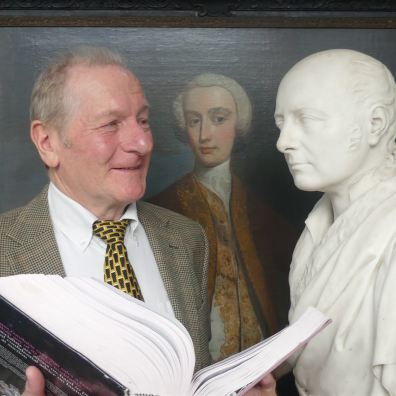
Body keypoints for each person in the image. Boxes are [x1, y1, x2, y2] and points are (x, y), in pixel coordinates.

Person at [0, 47, 276, 396]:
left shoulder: (187, 239)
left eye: (143, 121)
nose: (143, 143)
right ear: (47, 142)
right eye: (111, 124)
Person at [151, 73, 297, 363]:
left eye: (219, 119)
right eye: (195, 121)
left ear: (238, 124)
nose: (205, 134)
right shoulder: (162, 207)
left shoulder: (261, 207)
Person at [275, 49, 396, 395]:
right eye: (281, 124)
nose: (283, 142)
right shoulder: (317, 227)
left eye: (306, 119)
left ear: (375, 124)